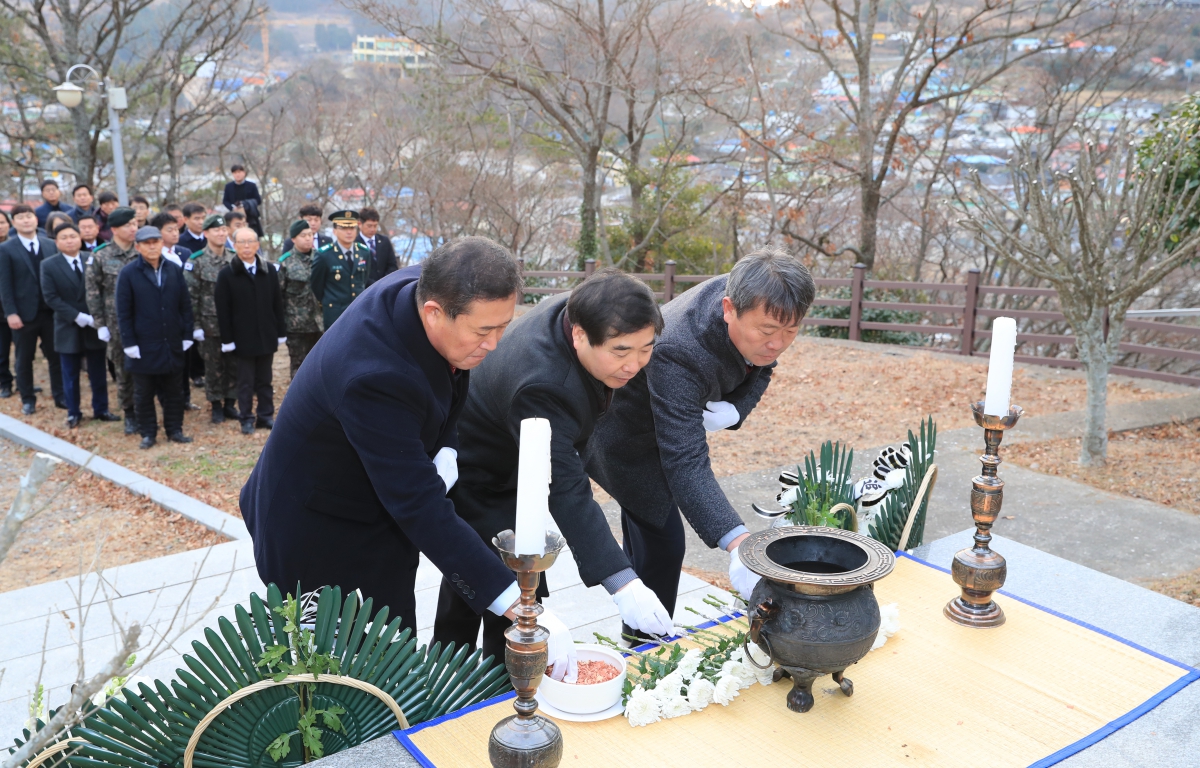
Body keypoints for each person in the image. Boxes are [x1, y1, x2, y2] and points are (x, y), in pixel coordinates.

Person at [240, 237, 577, 678]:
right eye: (483, 331)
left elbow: (453, 379)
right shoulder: (374, 375)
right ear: (434, 312)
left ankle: (394, 709)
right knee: (335, 671)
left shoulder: (421, 290)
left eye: (503, 327)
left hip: (376, 508)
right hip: (315, 526)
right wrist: (519, 605)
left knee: (390, 642)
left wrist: (447, 444)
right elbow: (419, 506)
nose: (494, 344)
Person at [433, 269, 672, 663]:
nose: (634, 365)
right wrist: (623, 582)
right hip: (480, 466)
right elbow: (565, 486)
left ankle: (476, 676)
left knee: (482, 579)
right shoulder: (544, 383)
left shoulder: (578, 309)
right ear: (580, 335)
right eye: (621, 351)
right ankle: (481, 687)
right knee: (499, 583)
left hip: (511, 451)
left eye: (646, 349)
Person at [586, 249, 816, 630]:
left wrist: (737, 408)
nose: (777, 344)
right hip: (627, 434)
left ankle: (642, 633)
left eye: (790, 331)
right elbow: (684, 459)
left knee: (648, 537)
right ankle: (646, 642)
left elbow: (761, 368)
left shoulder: (763, 302)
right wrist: (738, 542)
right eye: (768, 332)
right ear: (729, 308)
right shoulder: (680, 348)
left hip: (672, 420)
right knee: (664, 542)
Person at [115, 226, 195, 449]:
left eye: (156, 242)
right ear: (138, 246)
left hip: (171, 341)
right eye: (147, 243)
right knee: (144, 393)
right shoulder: (129, 273)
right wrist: (129, 342)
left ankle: (175, 430)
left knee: (174, 391)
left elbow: (185, 305)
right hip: (143, 343)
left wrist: (187, 333)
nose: (152, 246)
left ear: (162, 244)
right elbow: (123, 311)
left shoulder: (173, 269)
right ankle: (148, 433)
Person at [40, 224, 119, 428]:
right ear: (56, 242)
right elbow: (50, 297)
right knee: (70, 373)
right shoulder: (48, 265)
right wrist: (77, 316)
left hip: (94, 324)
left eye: (73, 236)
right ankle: (73, 412)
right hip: (68, 325)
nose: (69, 241)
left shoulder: (91, 258)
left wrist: (96, 317)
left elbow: (102, 289)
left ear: (80, 239)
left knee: (98, 371)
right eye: (64, 237)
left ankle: (101, 409)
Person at [215, 227, 285, 435]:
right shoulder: (227, 274)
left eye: (250, 242)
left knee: (265, 380)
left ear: (257, 244)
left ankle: (265, 415)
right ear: (234, 246)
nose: (246, 246)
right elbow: (223, 310)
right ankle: (246, 417)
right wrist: (227, 339)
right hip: (242, 337)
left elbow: (277, 303)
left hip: (266, 335)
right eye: (241, 242)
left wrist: (280, 331)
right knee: (245, 382)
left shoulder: (269, 270)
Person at [0, 204, 63, 414]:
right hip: (23, 314)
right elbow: (5, 285)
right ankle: (28, 398)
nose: (26, 221)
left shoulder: (50, 245)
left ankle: (60, 395)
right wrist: (10, 312)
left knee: (56, 356)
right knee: (24, 358)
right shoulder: (6, 249)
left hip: (50, 311)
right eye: (20, 218)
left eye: (29, 216)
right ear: (13, 223)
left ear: (36, 220)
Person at [85, 206, 142, 435]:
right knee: (124, 370)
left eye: (135, 224)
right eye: (128, 225)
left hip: (145, 322)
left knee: (147, 371)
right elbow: (92, 292)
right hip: (116, 325)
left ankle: (146, 409)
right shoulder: (101, 256)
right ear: (115, 229)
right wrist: (100, 325)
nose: (133, 228)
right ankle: (129, 412)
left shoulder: (143, 252)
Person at [187, 214, 237, 423]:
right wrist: (195, 326)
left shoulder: (235, 258)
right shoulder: (196, 261)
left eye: (224, 229)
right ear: (206, 233)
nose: (221, 233)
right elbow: (191, 296)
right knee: (213, 367)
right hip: (209, 325)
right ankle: (216, 404)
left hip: (234, 324)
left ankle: (230, 403)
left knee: (233, 365)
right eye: (216, 230)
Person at [151, 212, 199, 411]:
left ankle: (185, 398)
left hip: (184, 312)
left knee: (185, 359)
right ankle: (167, 400)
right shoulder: (154, 255)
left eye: (176, 229)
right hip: (163, 316)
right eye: (168, 230)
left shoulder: (184, 252)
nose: (175, 233)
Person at [310, 210, 370, 330]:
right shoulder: (324, 255)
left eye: (352, 228)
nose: (349, 232)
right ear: (335, 231)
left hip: (358, 312)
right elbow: (317, 286)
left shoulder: (364, 252)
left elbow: (364, 280)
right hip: (335, 314)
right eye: (343, 228)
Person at [278, 220, 324, 378]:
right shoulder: (286, 262)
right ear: (293, 239)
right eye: (303, 235)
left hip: (320, 323)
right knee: (299, 367)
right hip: (296, 325)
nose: (307, 238)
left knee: (321, 364)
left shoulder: (321, 258)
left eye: (310, 235)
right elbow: (279, 296)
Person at [357, 208, 398, 286]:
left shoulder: (384, 241)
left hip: (386, 285)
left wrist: (385, 282)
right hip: (365, 289)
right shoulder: (355, 244)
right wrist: (375, 285)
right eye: (369, 226)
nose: (372, 229)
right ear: (360, 224)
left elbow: (392, 265)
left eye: (375, 226)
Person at [222, 164, 263, 237]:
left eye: (239, 172)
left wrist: (246, 204)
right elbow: (225, 201)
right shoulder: (229, 186)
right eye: (235, 173)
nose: (237, 175)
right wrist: (232, 208)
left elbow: (258, 200)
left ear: (244, 173)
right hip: (234, 216)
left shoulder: (251, 185)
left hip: (250, 217)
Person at [0, 211, 11, 398]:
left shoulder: (15, 245)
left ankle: (27, 382)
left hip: (18, 305)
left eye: (2, 222)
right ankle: (5, 382)